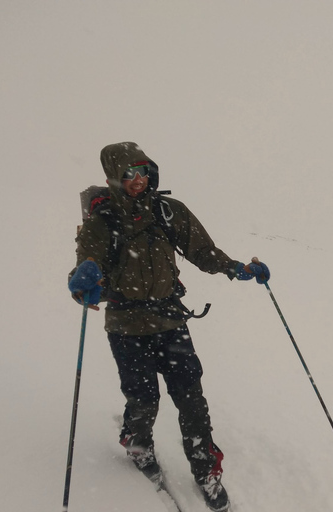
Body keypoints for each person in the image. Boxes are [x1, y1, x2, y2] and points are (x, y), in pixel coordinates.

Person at [68, 142, 270, 512]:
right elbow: (86, 265)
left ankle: (206, 471)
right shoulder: (103, 220)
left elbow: (203, 251)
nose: (137, 180)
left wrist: (237, 268)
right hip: (126, 326)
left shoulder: (166, 211)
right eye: (129, 173)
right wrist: (83, 281)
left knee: (191, 396)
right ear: (115, 176)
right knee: (144, 399)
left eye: (143, 171)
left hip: (169, 319)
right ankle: (137, 443)